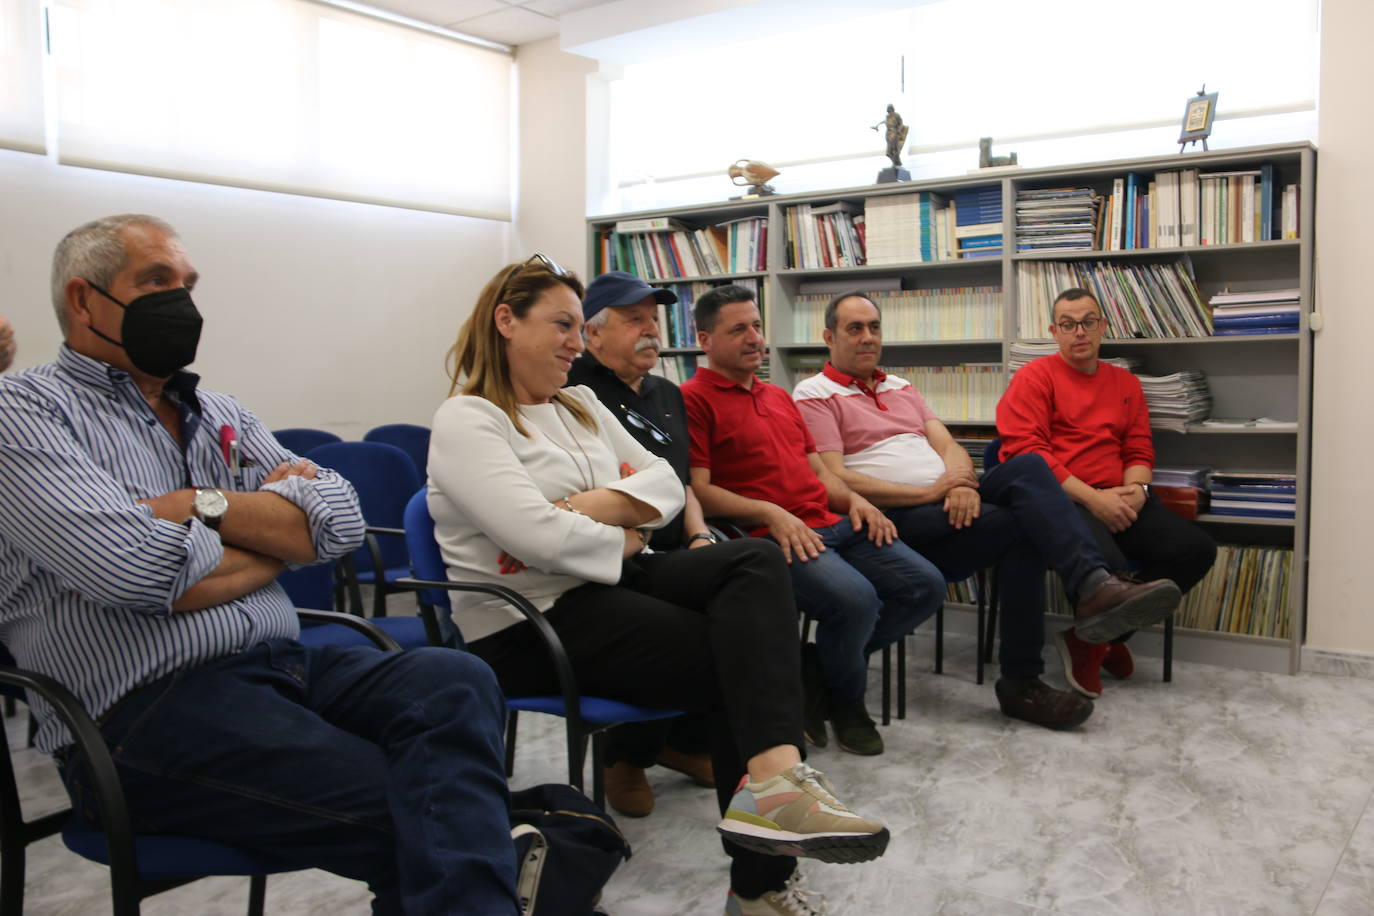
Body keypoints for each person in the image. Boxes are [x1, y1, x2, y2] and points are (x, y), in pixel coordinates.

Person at [0, 215, 519, 915]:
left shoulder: (219, 409)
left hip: (279, 667)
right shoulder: (25, 412)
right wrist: (276, 539)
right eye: (156, 282)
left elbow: (336, 520)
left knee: (451, 676)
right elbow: (139, 572)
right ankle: (529, 838)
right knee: (428, 813)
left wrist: (193, 505)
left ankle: (517, 849)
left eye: (188, 284)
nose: (181, 301)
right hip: (140, 713)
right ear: (84, 300)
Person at [428, 256, 889, 916]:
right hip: (528, 619)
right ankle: (760, 885)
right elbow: (537, 540)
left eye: (577, 326)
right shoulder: (468, 420)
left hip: (606, 579)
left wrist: (582, 509)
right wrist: (622, 529)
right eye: (561, 324)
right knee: (742, 657)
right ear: (506, 320)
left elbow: (667, 486)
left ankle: (776, 783)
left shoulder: (580, 405)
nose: (573, 340)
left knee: (753, 564)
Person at [794, 293, 1185, 728]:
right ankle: (1057, 634)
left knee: (1028, 477)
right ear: (829, 337)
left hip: (949, 501)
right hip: (895, 519)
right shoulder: (813, 394)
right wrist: (931, 492)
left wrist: (960, 481)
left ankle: (1043, 656)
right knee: (1028, 513)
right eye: (855, 328)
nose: (868, 338)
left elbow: (949, 446)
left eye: (874, 327)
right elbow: (835, 479)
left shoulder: (900, 387)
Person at [682, 284, 943, 757]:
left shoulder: (780, 397)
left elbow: (820, 472)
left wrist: (855, 502)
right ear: (704, 340)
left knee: (925, 585)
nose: (754, 338)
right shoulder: (693, 398)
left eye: (757, 326)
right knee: (857, 601)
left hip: (829, 520)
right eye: (737, 329)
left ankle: (817, 671)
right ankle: (846, 702)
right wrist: (770, 512)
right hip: (771, 536)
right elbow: (698, 490)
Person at [997, 287, 1217, 698]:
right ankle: (1099, 639)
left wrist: (1136, 489)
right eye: (1068, 324)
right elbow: (1029, 454)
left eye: (1088, 322)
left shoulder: (1125, 382)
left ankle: (1091, 641)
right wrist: (1092, 499)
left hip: (1120, 494)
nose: (1079, 332)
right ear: (1054, 331)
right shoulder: (1034, 377)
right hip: (1061, 499)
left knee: (1196, 549)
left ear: (1103, 326)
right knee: (1109, 568)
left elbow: (1138, 447)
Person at [565, 270, 715, 818]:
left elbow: (678, 483)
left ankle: (683, 740)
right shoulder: (573, 392)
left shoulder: (667, 392)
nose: (650, 330)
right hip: (614, 552)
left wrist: (700, 535)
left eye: (653, 320)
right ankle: (625, 756)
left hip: (675, 543)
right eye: (634, 320)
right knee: (686, 622)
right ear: (593, 333)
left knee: (742, 592)